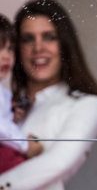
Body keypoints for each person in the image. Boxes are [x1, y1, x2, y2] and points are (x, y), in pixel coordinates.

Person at [0, 0, 97, 190]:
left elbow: (58, 163)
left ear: (65, 45)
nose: (38, 48)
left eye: (49, 37)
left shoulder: (86, 104)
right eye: (28, 39)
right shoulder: (8, 103)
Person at [0, 14, 43, 174]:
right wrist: (25, 145)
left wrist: (13, 118)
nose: (6, 56)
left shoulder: (4, 94)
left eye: (10, 49)